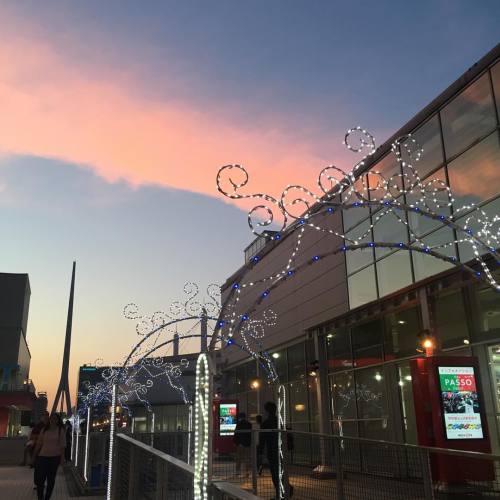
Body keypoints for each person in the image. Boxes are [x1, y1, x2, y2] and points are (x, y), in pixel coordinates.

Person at [258, 402, 293, 499]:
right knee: (280, 472)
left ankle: (281, 493)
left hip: (272, 451)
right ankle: (284, 490)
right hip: (281, 450)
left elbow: (262, 439)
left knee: (275, 474)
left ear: (267, 411)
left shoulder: (265, 423)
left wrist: (260, 452)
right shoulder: (279, 421)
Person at [33, 413, 66, 500]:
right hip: (42, 457)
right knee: (40, 480)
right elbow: (39, 443)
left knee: (51, 480)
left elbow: (63, 446)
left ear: (58, 420)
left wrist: (62, 459)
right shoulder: (44, 430)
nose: (53, 420)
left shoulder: (60, 430)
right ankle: (40, 498)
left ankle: (47, 498)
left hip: (54, 458)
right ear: (49, 420)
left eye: (55, 418)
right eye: (51, 418)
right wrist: (34, 455)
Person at [233, 412, 252, 477]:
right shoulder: (249, 424)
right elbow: (250, 435)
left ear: (240, 417)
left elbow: (236, 434)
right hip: (247, 444)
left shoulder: (239, 424)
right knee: (247, 458)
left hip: (240, 444)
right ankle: (247, 472)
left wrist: (235, 442)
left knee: (239, 458)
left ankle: (237, 472)